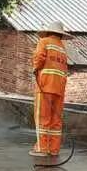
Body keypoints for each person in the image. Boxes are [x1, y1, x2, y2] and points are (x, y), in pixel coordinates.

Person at [30, 21, 72, 157]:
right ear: (60, 35)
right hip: (59, 88)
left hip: (45, 85)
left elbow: (39, 58)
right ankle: (53, 149)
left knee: (42, 118)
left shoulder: (44, 41)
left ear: (48, 32)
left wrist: (35, 68)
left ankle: (42, 149)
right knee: (55, 120)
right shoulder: (62, 48)